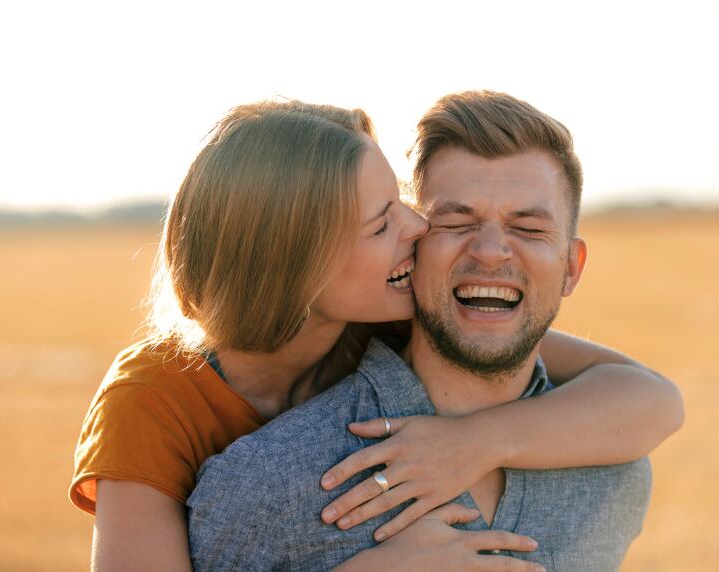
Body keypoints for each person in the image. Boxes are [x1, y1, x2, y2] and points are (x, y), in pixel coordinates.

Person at [70, 99, 683, 572]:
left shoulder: (390, 318)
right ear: (299, 265)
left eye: (403, 204)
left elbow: (652, 399)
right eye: (383, 222)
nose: (418, 225)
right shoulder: (150, 399)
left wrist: (473, 443)